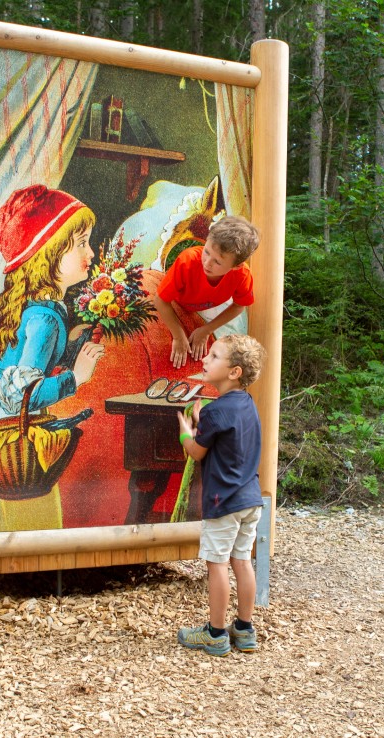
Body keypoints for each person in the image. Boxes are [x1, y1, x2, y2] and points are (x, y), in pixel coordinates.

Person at [0, 185, 106, 532]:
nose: (90, 252)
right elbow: (19, 396)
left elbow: (28, 363)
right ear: (50, 253)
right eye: (81, 244)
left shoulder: (42, 307)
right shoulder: (44, 319)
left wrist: (71, 344)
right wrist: (77, 377)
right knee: (19, 496)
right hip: (0, 417)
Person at [175, 333, 267, 656]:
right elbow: (228, 435)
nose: (205, 359)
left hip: (223, 502)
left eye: (213, 356)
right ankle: (244, 629)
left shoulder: (216, 411)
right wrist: (204, 422)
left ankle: (214, 634)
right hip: (250, 500)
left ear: (234, 372)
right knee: (241, 559)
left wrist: (187, 432)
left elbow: (198, 452)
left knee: (216, 563)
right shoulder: (246, 403)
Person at [153, 216, 260, 369]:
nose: (207, 262)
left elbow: (239, 306)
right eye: (207, 252)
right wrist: (178, 336)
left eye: (217, 262)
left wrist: (206, 330)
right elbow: (160, 300)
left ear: (236, 266)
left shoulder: (242, 275)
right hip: (174, 303)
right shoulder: (187, 261)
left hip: (208, 308)